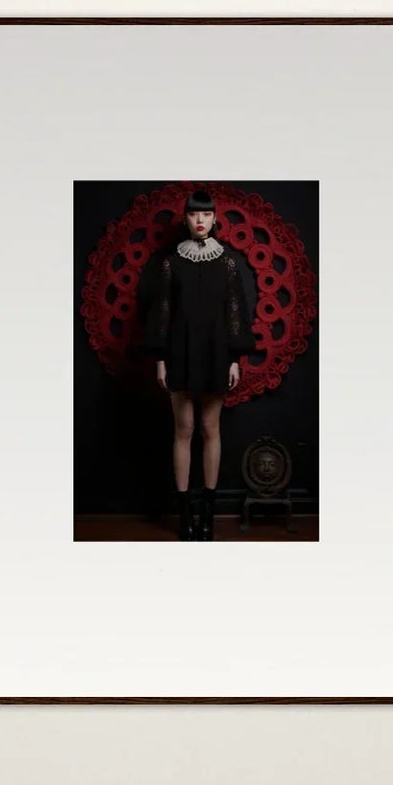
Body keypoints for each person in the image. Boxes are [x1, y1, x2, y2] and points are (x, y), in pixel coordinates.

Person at [139, 190, 256, 541]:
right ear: (186, 219)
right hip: (178, 352)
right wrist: (160, 358)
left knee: (210, 429)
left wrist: (235, 359)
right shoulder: (170, 262)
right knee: (183, 430)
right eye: (194, 214)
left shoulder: (229, 262)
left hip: (217, 354)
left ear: (215, 218)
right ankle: (185, 517)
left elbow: (235, 311)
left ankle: (207, 514)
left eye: (206, 214)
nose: (200, 220)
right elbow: (161, 312)